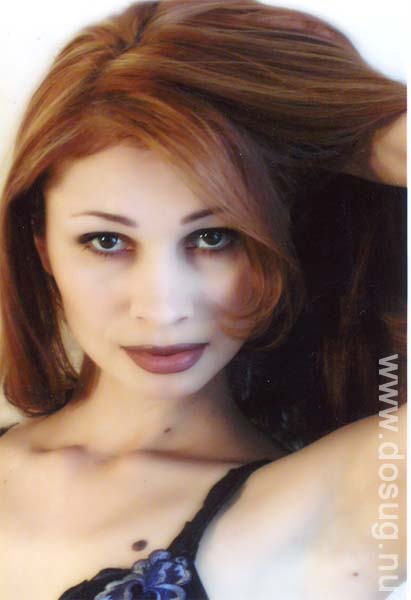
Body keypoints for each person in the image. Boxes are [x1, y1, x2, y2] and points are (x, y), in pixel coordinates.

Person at [0, 1, 406, 598]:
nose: (162, 310)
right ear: (41, 246)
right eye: (106, 241)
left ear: (279, 243)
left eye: (214, 238)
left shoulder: (345, 504)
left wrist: (361, 136)